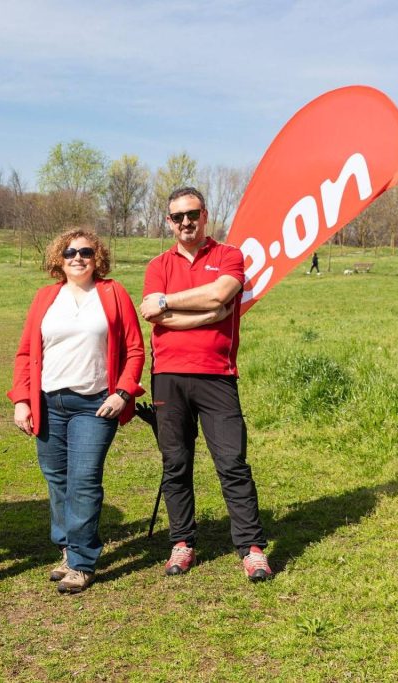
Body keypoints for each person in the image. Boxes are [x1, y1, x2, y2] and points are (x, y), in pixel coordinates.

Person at [139, 186, 272, 583]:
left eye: (192, 214)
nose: (185, 222)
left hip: (217, 375)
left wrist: (171, 302)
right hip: (169, 376)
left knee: (232, 462)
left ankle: (251, 548)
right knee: (175, 463)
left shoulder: (229, 255)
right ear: (168, 221)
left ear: (205, 215)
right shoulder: (157, 265)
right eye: (177, 216)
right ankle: (182, 541)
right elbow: (153, 312)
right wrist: (208, 313)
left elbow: (223, 292)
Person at [8, 229, 145, 594]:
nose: (78, 258)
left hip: (94, 404)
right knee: (56, 479)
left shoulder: (113, 293)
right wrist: (22, 399)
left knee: (83, 479)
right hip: (49, 403)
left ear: (97, 257)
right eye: (70, 252)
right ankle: (68, 548)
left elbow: (134, 349)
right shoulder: (44, 298)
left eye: (85, 252)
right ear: (59, 258)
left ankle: (82, 562)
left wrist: (122, 392)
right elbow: (25, 353)